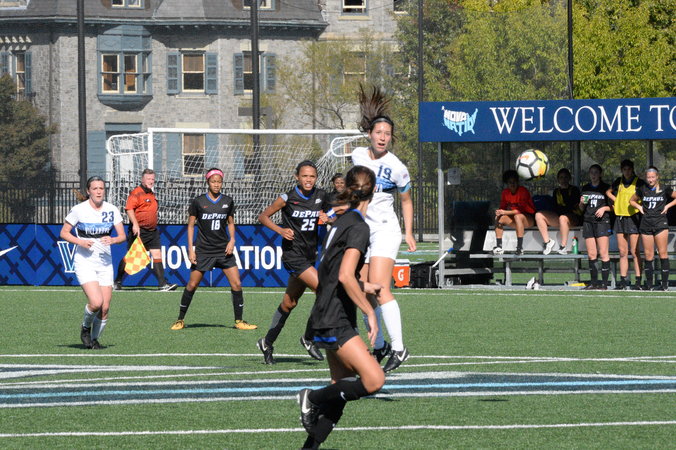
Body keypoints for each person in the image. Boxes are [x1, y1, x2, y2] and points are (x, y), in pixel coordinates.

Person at [297, 165, 385, 450]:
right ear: (375, 191)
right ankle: (311, 397)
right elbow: (346, 276)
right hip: (336, 314)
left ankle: (309, 448)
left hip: (326, 310)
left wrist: (365, 287)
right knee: (374, 380)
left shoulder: (341, 220)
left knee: (340, 388)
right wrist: (370, 312)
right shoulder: (359, 226)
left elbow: (333, 271)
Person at [350, 84, 416, 373]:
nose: (383, 137)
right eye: (379, 132)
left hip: (386, 231)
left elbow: (406, 201)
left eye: (387, 134)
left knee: (379, 288)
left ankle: (399, 348)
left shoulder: (397, 167)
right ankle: (379, 346)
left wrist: (408, 232)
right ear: (370, 134)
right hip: (363, 231)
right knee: (361, 290)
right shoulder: (357, 156)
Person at [256, 160, 329, 364]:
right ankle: (309, 338)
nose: (308, 180)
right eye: (304, 176)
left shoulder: (321, 196)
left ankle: (267, 342)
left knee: (289, 303)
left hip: (309, 256)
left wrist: (328, 218)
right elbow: (263, 216)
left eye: (312, 176)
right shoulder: (287, 198)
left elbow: (334, 214)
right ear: (297, 177)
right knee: (325, 291)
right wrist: (280, 230)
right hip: (293, 256)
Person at [170, 168, 257, 331]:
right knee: (192, 284)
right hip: (204, 250)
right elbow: (190, 226)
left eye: (219, 181)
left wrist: (232, 240)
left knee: (237, 284)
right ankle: (180, 319)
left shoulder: (228, 201)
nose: (216, 184)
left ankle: (239, 321)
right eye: (213, 181)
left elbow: (231, 223)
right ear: (208, 182)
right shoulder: (198, 201)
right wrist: (191, 249)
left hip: (223, 250)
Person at [60, 176, 126, 349]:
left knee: (105, 308)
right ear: (88, 191)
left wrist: (113, 240)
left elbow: (122, 236)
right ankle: (85, 327)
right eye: (95, 188)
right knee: (96, 302)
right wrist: (80, 242)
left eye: (101, 188)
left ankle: (94, 340)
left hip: (105, 264)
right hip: (85, 262)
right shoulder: (79, 210)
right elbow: (64, 233)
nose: (98, 192)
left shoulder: (112, 210)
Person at [114, 168, 177, 291]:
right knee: (131, 257)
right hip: (139, 231)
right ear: (142, 180)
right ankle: (117, 281)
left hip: (152, 231)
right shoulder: (136, 193)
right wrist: (135, 224)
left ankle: (162, 284)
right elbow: (129, 209)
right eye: (148, 179)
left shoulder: (151, 194)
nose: (151, 181)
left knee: (157, 254)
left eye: (152, 179)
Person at [630, 166, 675, 291]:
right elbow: (632, 201)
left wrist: (667, 206)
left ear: (657, 177)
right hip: (646, 224)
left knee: (662, 253)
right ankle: (649, 284)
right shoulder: (642, 188)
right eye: (648, 177)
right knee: (648, 255)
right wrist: (639, 207)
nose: (650, 179)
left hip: (660, 223)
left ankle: (664, 285)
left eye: (653, 177)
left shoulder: (665, 188)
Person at [606, 159, 644, 290]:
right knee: (622, 252)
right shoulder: (618, 181)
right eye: (624, 169)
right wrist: (617, 200)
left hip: (634, 218)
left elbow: (644, 196)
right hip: (620, 218)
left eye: (629, 169)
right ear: (621, 170)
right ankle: (623, 281)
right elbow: (608, 192)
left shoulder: (639, 182)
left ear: (632, 170)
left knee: (634, 251)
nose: (627, 172)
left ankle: (638, 281)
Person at [579, 165, 612, 290]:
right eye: (591, 172)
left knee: (603, 253)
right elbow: (581, 208)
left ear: (600, 174)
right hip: (588, 221)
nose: (593, 175)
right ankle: (594, 282)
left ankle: (604, 284)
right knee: (592, 254)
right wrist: (581, 202)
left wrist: (604, 208)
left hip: (602, 222)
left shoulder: (606, 188)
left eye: (596, 172)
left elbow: (614, 207)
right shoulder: (585, 188)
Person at [535, 168, 582, 255]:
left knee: (563, 218)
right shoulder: (556, 191)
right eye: (561, 177)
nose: (563, 180)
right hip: (559, 217)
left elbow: (572, 206)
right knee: (539, 215)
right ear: (558, 179)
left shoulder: (574, 190)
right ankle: (548, 242)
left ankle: (563, 247)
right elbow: (555, 207)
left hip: (573, 218)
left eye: (565, 177)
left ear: (569, 178)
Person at [493, 169, 536, 255]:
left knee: (518, 216)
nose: (512, 184)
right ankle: (499, 247)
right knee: (498, 218)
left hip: (529, 219)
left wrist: (504, 212)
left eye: (514, 182)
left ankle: (519, 248)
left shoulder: (523, 191)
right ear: (507, 183)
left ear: (517, 182)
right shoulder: (505, 193)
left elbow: (520, 210)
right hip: (515, 220)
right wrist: (499, 212)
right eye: (510, 182)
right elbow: (502, 208)